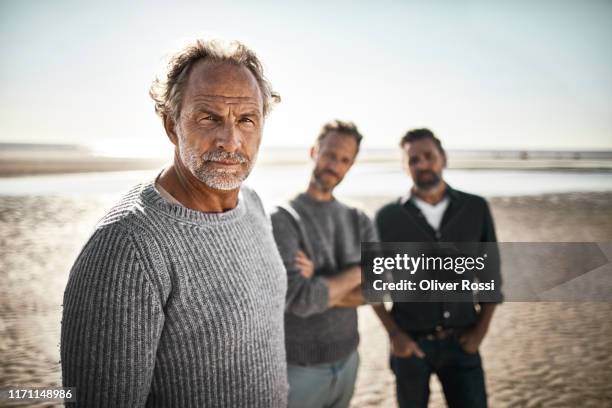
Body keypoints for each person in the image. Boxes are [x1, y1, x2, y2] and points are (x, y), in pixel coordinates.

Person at [61, 39, 289, 407]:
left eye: (246, 119)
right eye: (208, 118)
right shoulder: (127, 247)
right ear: (171, 124)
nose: (230, 141)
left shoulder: (254, 205)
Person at [373, 128, 503, 408]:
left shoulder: (475, 208)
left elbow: (490, 275)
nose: (422, 164)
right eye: (413, 160)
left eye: (428, 156)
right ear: (404, 167)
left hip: (463, 343)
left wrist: (480, 332)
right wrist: (395, 335)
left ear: (443, 158)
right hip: (410, 346)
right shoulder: (387, 218)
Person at [271, 121, 377, 408]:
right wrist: (358, 271)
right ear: (313, 151)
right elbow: (300, 300)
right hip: (299, 368)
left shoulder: (359, 218)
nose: (335, 166)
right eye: (330, 155)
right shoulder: (283, 218)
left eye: (344, 160)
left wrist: (317, 278)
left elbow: (380, 290)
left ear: (351, 165)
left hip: (349, 359)